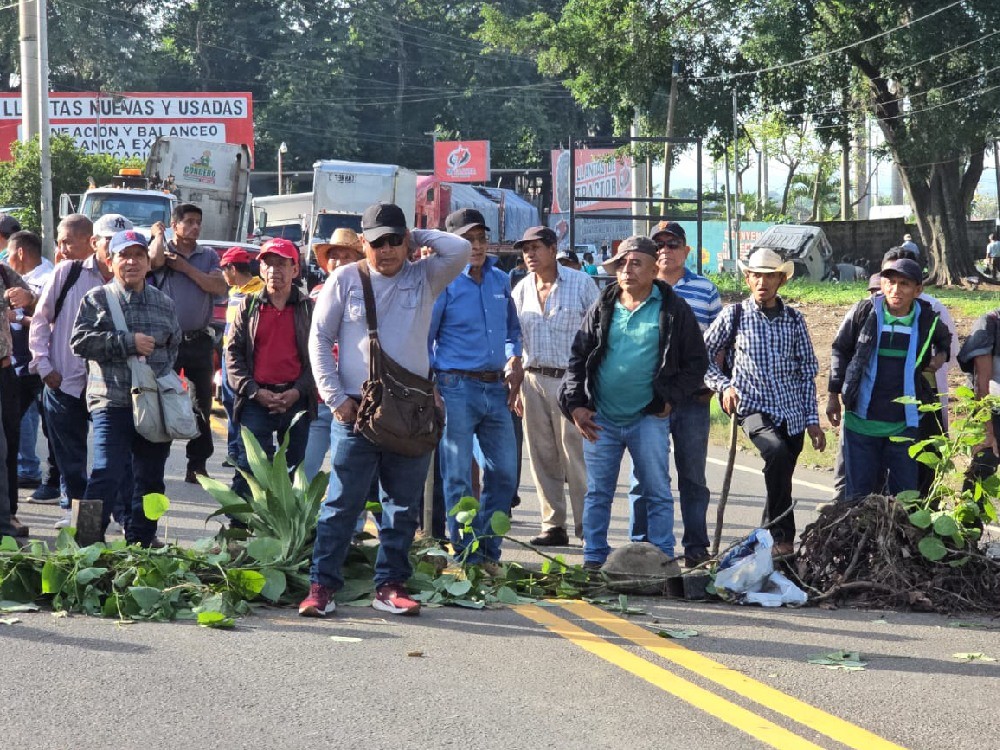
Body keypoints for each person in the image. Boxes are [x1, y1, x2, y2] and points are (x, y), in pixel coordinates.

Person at [301, 202, 469, 617]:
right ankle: (321, 587)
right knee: (342, 504)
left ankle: (390, 586)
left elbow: (461, 249)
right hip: (356, 412)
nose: (389, 250)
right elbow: (318, 340)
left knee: (402, 506)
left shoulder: (425, 276)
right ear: (363, 244)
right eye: (379, 242)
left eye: (396, 240)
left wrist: (418, 235)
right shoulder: (345, 279)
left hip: (410, 414)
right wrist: (336, 399)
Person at [559, 236, 707, 568]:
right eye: (622, 264)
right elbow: (578, 357)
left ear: (655, 269)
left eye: (635, 263)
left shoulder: (673, 309)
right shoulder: (603, 305)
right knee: (597, 493)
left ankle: (663, 562)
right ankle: (594, 559)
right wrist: (576, 405)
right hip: (602, 419)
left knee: (657, 491)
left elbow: (697, 363)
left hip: (647, 418)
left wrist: (669, 399)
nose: (627, 270)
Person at [704, 248, 826, 558]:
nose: (762, 282)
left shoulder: (795, 320)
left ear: (781, 280)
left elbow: (805, 373)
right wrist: (724, 386)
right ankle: (783, 536)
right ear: (747, 278)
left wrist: (813, 421)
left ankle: (766, 546)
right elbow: (702, 358)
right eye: (756, 275)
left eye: (770, 276)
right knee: (776, 452)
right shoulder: (734, 315)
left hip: (793, 414)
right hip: (753, 407)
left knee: (781, 476)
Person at [70, 230, 180, 546]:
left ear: (148, 263)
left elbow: (173, 348)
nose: (131, 262)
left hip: (153, 407)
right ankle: (86, 543)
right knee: (106, 472)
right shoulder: (97, 299)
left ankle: (143, 538)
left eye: (138, 256)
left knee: (151, 479)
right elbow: (79, 342)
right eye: (124, 256)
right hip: (111, 400)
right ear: (111, 261)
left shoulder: (164, 303)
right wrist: (126, 343)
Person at [429, 208, 522, 566]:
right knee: (457, 477)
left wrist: (514, 356)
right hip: (455, 386)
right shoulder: (444, 282)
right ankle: (467, 553)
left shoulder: (500, 280)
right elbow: (427, 337)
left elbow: (513, 331)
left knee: (504, 475)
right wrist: (431, 384)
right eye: (468, 240)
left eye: (481, 238)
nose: (478, 245)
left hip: (496, 387)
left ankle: (488, 548)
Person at [630, 221, 721, 567]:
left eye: (673, 244)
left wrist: (713, 385)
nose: (666, 250)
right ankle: (642, 547)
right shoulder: (638, 287)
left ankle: (696, 546)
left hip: (692, 400)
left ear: (686, 250)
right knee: (644, 475)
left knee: (693, 476)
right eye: (660, 244)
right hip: (647, 400)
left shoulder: (705, 290)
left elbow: (720, 345)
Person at [827, 257, 949, 501]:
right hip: (861, 423)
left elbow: (945, 343)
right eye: (890, 282)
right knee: (858, 496)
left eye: (904, 283)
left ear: (918, 290)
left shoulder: (927, 319)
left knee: (903, 498)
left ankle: (897, 540)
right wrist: (833, 395)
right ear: (882, 285)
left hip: (905, 425)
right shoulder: (864, 312)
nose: (896, 289)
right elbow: (840, 348)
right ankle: (857, 540)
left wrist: (939, 359)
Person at [511, 225, 599, 547]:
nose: (530, 255)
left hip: (572, 382)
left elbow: (599, 333)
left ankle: (588, 527)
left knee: (575, 456)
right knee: (541, 456)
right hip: (533, 380)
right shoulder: (521, 290)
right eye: (525, 249)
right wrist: (516, 378)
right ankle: (553, 524)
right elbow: (514, 339)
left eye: (535, 248)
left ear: (552, 248)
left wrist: (591, 386)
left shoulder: (580, 283)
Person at [29, 214, 111, 528]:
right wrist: (44, 366)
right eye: (59, 242)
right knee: (69, 456)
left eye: (67, 241)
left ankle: (109, 513)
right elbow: (40, 319)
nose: (62, 248)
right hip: (63, 381)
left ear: (91, 241)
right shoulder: (66, 272)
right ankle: (75, 513)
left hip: (107, 386)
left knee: (110, 458)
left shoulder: (120, 275)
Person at [226, 238, 315, 501]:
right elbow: (233, 354)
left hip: (295, 401)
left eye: (281, 264)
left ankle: (283, 535)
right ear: (261, 270)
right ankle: (239, 533)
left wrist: (298, 392)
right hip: (256, 400)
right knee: (251, 469)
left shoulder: (308, 309)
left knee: (292, 473)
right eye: (268, 264)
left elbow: (319, 359)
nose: (274, 270)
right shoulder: (249, 305)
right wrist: (253, 391)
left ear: (295, 270)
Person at [149, 203, 228, 484]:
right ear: (175, 224)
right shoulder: (163, 249)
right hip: (167, 344)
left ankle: (197, 463)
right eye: (189, 222)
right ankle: (156, 460)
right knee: (163, 401)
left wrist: (184, 268)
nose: (195, 227)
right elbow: (155, 262)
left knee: (201, 404)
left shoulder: (206, 256)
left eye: (198, 222)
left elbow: (218, 286)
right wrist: (158, 236)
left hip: (198, 342)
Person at [7, 231, 54, 500]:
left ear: (21, 253)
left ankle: (54, 481)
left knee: (51, 428)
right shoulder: (21, 279)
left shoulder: (46, 279)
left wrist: (19, 317)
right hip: (19, 367)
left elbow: (49, 322)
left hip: (42, 366)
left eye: (9, 253)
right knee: (11, 425)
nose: (7, 259)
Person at [0, 244, 38, 537]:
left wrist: (30, 298)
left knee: (10, 442)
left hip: (3, 370)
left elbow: (37, 305)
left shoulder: (3, 272)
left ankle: (8, 513)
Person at [218, 247, 265, 464]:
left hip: (244, 357)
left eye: (223, 270)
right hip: (227, 354)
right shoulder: (233, 291)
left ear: (233, 268)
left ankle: (242, 450)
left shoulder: (259, 290)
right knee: (229, 402)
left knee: (242, 403)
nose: (222, 275)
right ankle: (233, 450)